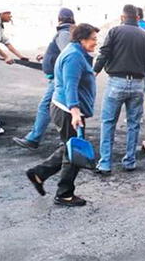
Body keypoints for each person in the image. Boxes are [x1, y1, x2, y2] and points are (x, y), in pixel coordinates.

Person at [25, 23, 99, 207]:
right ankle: (64, 194)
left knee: (69, 147)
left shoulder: (76, 52)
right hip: (67, 110)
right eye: (93, 39)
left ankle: (39, 173)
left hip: (67, 109)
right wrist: (75, 111)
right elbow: (70, 85)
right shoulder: (74, 56)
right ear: (82, 39)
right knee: (74, 152)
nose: (95, 43)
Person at [94, 5, 145, 175]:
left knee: (108, 123)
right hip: (137, 85)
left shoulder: (114, 32)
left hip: (116, 82)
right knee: (133, 124)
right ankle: (130, 161)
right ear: (137, 18)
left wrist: (94, 71)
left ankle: (105, 163)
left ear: (122, 17)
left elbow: (104, 54)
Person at [13, 8, 75, 149]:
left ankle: (34, 138)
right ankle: (68, 140)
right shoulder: (67, 32)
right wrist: (47, 54)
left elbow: (68, 53)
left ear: (59, 19)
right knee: (64, 107)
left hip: (59, 79)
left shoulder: (64, 33)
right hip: (60, 77)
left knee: (47, 106)